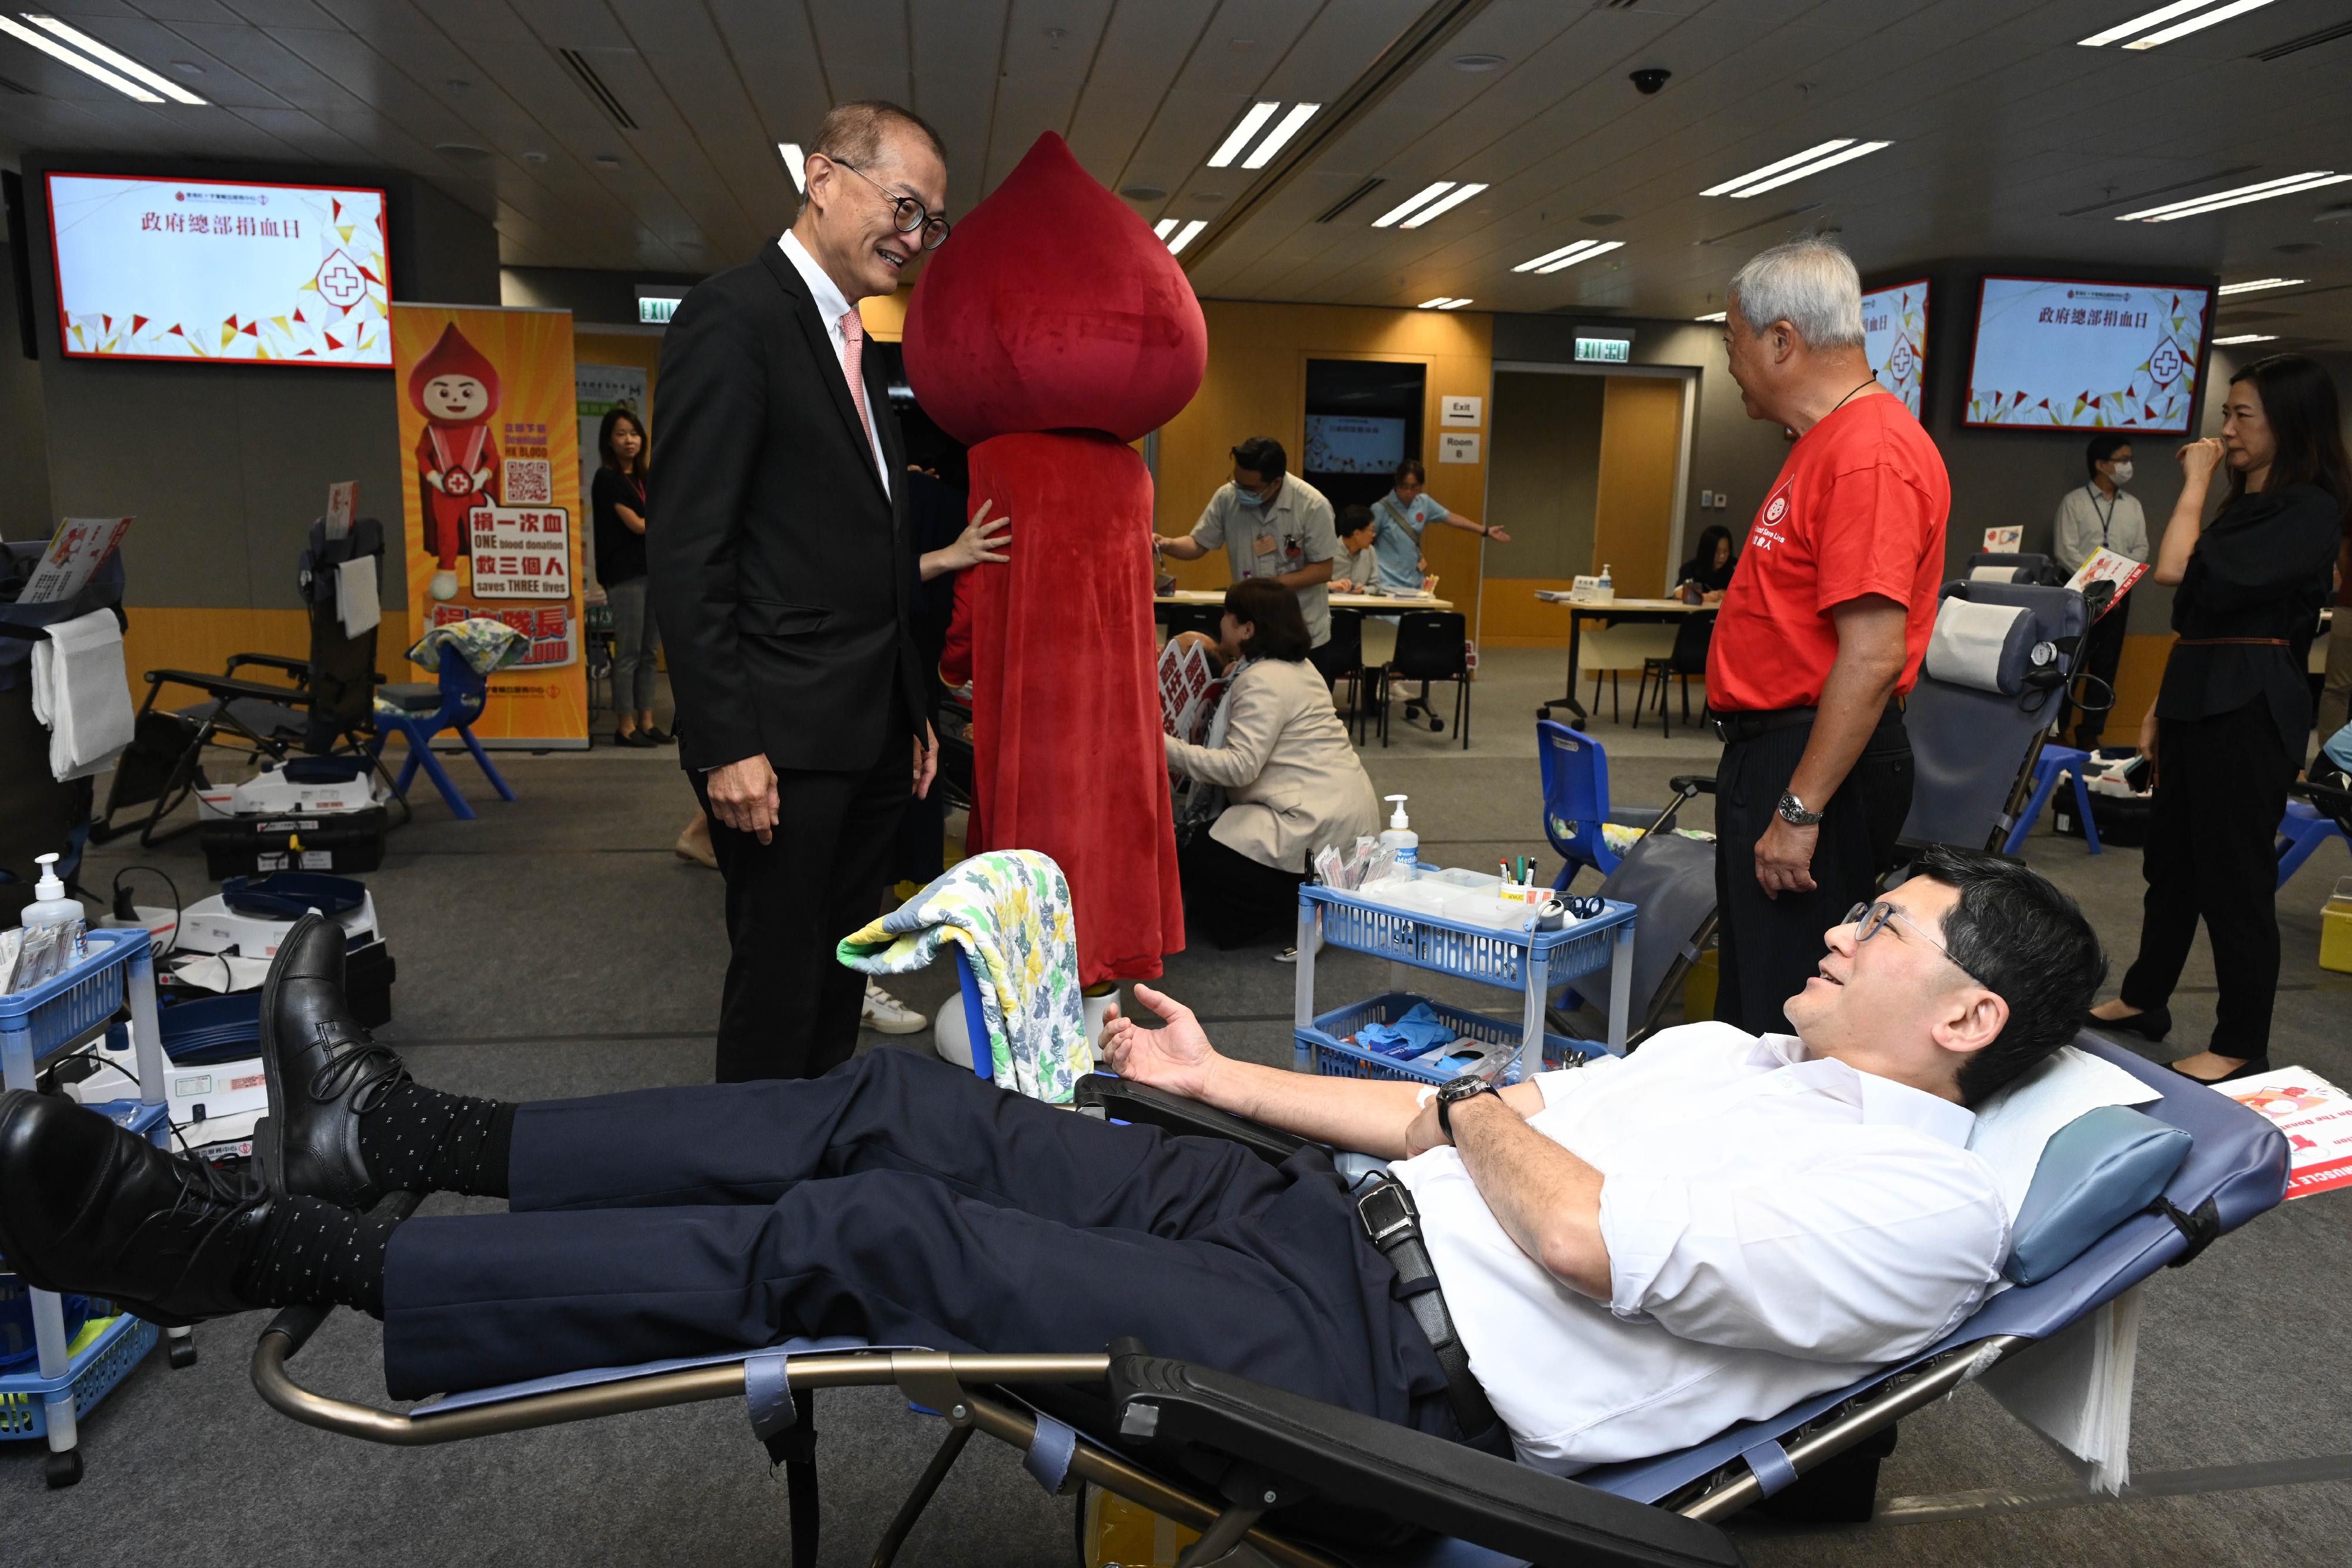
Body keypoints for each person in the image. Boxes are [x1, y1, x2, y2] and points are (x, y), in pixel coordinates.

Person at [0, 848, 2103, 1473]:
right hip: (1322, 1218)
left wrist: (1476, 1112)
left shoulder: (1917, 1206)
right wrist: (1216, 1075)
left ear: (1966, 1018)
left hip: (1387, 1369)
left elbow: (1574, 1231)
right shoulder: (1747, 1047)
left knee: (866, 1231)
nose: (1843, 927)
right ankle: (399, 1125)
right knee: (894, 1101)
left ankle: (263, 1245)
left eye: (1887, 929)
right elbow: (1444, 1121)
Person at [648, 101, 950, 1082]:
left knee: (838, 976)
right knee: (779, 984)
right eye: (903, 208)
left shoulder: (855, 343)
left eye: (927, 223)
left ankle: (816, 1174)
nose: (912, 239)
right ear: (824, 180)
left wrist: (912, 709)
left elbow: (868, 546)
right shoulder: (735, 318)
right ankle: (751, 1202)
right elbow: (691, 553)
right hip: (776, 738)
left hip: (865, 734)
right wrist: (725, 740)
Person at [1705, 237, 1950, 1037]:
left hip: (1814, 755)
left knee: (1788, 1012)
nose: (1732, 361)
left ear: (1782, 340)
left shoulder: (1869, 453)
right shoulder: (1826, 444)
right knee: (1753, 996)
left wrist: (1800, 807)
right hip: (1780, 747)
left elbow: (1874, 654)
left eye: (1733, 340)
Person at [2087, 355, 2349, 1084]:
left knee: (2234, 877)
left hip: (2249, 701)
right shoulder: (2246, 506)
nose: (2225, 431)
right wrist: (2155, 709)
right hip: (2196, 691)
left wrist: (2196, 482)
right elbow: (2191, 617)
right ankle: (2145, 998)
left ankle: (2240, 1043)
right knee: (2169, 865)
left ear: (2288, 425)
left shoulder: (2310, 508)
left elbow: (2172, 569)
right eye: (2226, 415)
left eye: (2242, 417)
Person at [1164, 579, 1378, 950]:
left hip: (1310, 823)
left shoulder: (1260, 680)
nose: (1221, 625)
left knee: (1195, 853)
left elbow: (1239, 768)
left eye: (1227, 617)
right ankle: (1301, 901)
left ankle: (1294, 909)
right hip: (1341, 816)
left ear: (1247, 629)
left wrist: (1157, 745)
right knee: (1206, 854)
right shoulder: (1299, 666)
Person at [1155, 437, 1341, 654]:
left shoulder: (1312, 505)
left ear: (1276, 483)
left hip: (1302, 631)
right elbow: (1198, 544)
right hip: (1249, 632)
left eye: (1249, 488)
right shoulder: (1227, 497)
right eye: (1237, 482)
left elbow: (1323, 570)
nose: (1240, 491)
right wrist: (1167, 544)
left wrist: (1266, 588)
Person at [2052, 434, 2151, 749]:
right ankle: (2060, 730)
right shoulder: (2074, 502)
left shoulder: (2133, 506)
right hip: (2081, 595)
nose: (2128, 466)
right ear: (2101, 464)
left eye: (2129, 459)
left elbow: (2141, 548)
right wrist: (2100, 585)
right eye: (2122, 460)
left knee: (2107, 666)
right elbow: (2065, 550)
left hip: (2120, 596)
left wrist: (2118, 585)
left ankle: (2091, 732)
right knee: (2071, 663)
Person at [591, 408, 668, 749]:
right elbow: (638, 524)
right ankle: (624, 726)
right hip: (625, 575)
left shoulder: (646, 477)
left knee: (650, 651)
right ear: (609, 439)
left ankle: (647, 721)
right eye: (621, 434)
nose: (629, 440)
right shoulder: (607, 479)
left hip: (655, 570)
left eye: (634, 433)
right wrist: (668, 527)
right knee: (629, 652)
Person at [1673, 523, 1738, 603]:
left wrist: (1729, 594)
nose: (1722, 556)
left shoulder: (1735, 566)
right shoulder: (1692, 568)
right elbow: (1678, 593)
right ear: (1707, 551)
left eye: (1725, 551)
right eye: (1717, 552)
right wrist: (1705, 597)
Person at [1331, 504, 1381, 594]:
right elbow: (1315, 586)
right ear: (1357, 534)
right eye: (1372, 531)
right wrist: (1332, 585)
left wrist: (1363, 590)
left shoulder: (1370, 551)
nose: (1374, 535)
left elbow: (1376, 587)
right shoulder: (1330, 551)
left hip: (1362, 605)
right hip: (1333, 605)